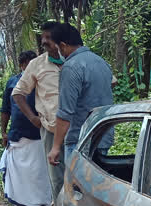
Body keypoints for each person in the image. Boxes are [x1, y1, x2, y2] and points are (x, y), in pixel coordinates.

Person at [11, 22, 64, 206]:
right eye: (43, 38)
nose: (44, 42)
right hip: (51, 130)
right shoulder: (37, 64)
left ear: (62, 40)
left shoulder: (79, 60)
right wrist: (33, 117)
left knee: (84, 178)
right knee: (58, 180)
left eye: (48, 38)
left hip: (82, 130)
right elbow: (17, 94)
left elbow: (110, 82)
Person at [47, 23, 113, 168]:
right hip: (103, 137)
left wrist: (56, 147)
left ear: (63, 46)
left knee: (78, 189)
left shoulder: (71, 67)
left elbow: (65, 112)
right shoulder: (101, 62)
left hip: (81, 142)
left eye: (58, 48)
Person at [0, 51, 52, 206]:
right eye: (28, 64)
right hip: (17, 133)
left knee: (37, 172)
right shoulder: (12, 82)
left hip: (38, 133)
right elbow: (5, 109)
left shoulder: (43, 82)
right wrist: (3, 131)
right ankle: (21, 202)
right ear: (22, 65)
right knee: (17, 172)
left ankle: (39, 204)